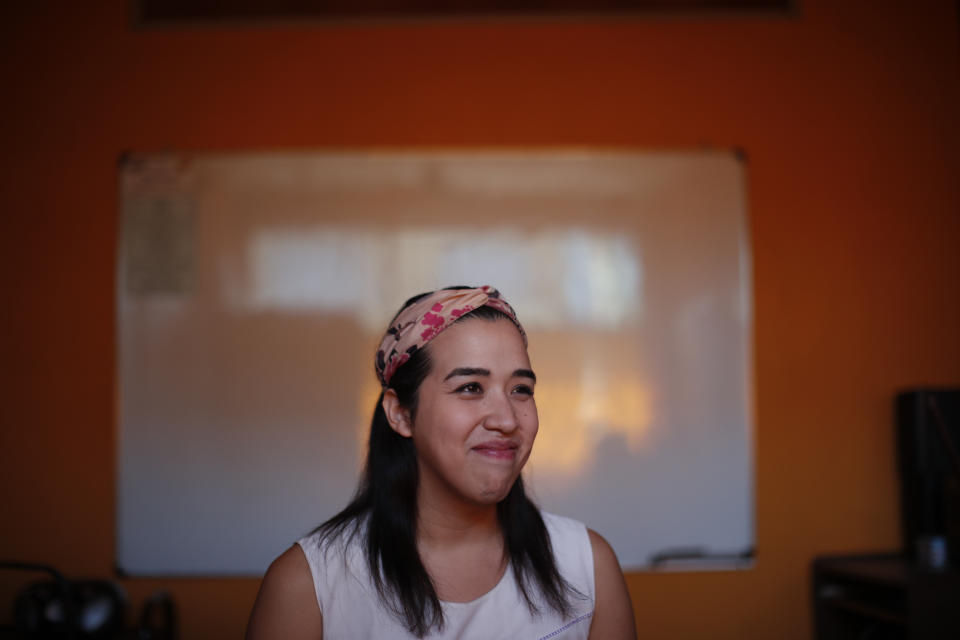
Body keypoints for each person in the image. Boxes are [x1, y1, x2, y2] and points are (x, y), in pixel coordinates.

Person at [246, 286, 636, 639]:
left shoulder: (586, 566)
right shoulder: (309, 586)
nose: (506, 419)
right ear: (400, 413)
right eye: (470, 387)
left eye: (521, 389)